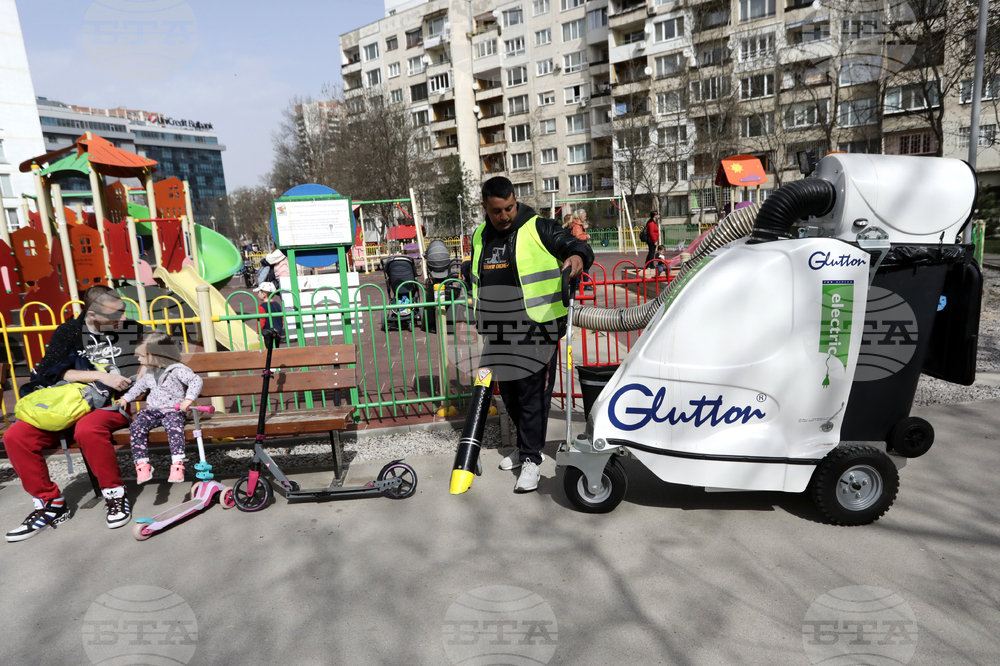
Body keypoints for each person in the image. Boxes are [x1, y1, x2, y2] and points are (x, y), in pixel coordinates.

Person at [473, 176, 594, 493]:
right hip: (500, 330)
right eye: (497, 210)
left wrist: (577, 258)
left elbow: (576, 245)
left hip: (538, 326)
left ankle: (532, 460)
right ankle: (527, 446)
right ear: (485, 207)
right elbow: (479, 280)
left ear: (515, 201)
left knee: (533, 397)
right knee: (510, 394)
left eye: (510, 207)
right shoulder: (480, 237)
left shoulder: (538, 226)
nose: (505, 216)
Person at [4, 286, 144, 542]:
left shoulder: (132, 329)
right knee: (16, 436)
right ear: (91, 314)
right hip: (68, 404)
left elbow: (166, 356)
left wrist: (142, 372)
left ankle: (114, 495)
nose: (122, 318)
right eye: (115, 313)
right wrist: (100, 375)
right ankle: (51, 504)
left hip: (113, 404)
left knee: (87, 429)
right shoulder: (69, 332)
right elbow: (50, 372)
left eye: (123, 311)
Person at [116, 332, 203, 484]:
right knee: (137, 425)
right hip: (153, 410)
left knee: (174, 426)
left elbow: (196, 381)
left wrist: (188, 399)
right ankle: (142, 464)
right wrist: (125, 398)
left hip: (173, 410)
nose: (138, 358)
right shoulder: (150, 371)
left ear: (157, 355)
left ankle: (177, 463)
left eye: (142, 355)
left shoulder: (178, 370)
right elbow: (139, 387)